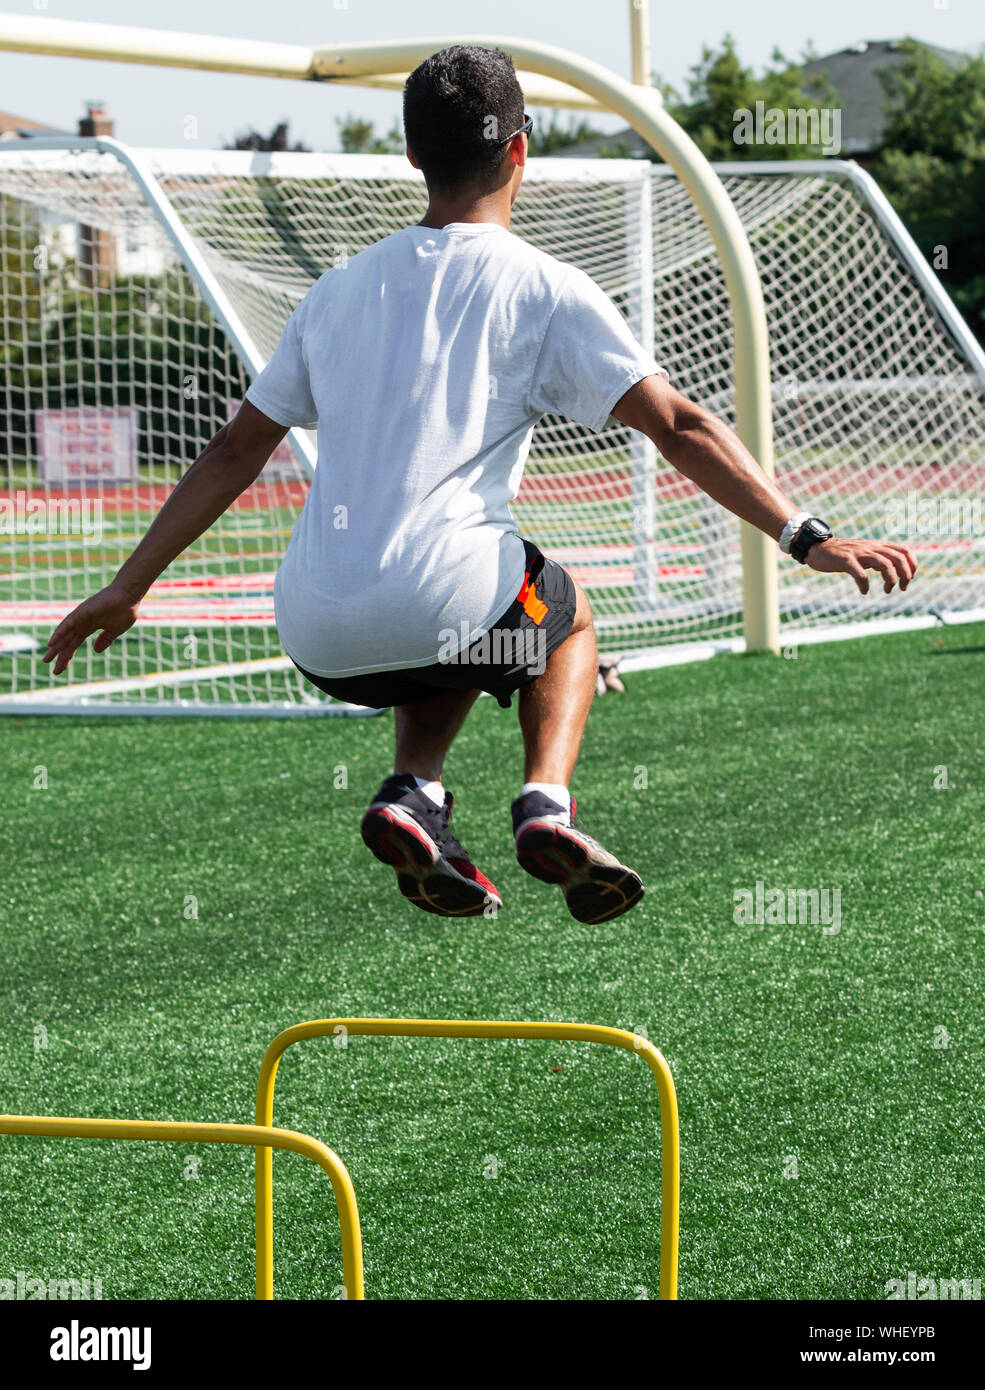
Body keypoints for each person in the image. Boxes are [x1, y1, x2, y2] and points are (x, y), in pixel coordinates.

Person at [43, 45, 917, 926]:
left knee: (463, 614)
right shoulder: (543, 285)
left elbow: (234, 451)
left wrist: (129, 585)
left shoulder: (337, 289)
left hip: (315, 633)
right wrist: (807, 535)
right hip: (447, 602)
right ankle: (546, 805)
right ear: (521, 149)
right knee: (560, 614)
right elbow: (680, 426)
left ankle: (415, 791)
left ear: (413, 156)